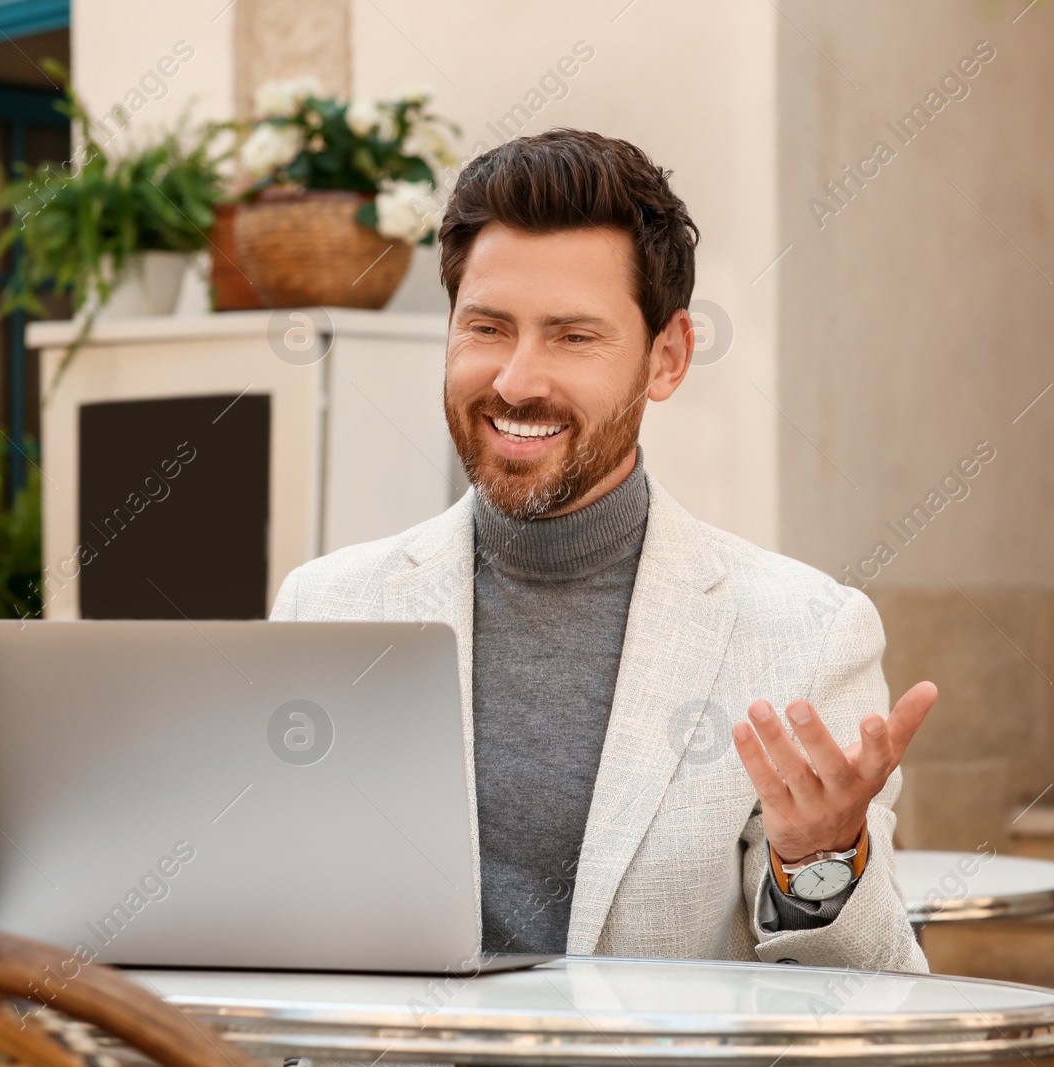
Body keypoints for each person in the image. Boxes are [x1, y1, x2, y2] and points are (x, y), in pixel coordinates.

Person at [271, 128, 934, 973]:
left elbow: (869, 1001)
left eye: (572, 337)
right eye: (486, 327)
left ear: (668, 357)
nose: (516, 379)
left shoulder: (806, 632)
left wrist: (816, 866)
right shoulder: (325, 608)